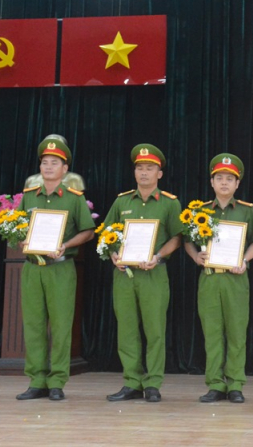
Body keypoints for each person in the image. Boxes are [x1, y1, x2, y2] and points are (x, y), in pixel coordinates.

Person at [16, 137, 95, 401]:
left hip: (61, 268)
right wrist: (21, 239)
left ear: (65, 169)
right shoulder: (28, 198)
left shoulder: (74, 199)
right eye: (44, 162)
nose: (48, 167)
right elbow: (15, 229)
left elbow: (88, 231)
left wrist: (66, 244)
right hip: (32, 268)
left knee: (61, 326)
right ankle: (37, 379)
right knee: (34, 324)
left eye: (55, 163)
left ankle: (57, 381)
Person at [103, 144, 184, 403]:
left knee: (154, 330)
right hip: (124, 274)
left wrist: (159, 256)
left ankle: (152, 384)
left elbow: (177, 238)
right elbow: (106, 234)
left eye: (150, 168)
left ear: (159, 173)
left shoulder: (170, 203)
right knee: (127, 329)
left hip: (153, 274)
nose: (144, 173)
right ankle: (131, 382)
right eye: (140, 168)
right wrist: (113, 253)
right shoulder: (121, 201)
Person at [185, 154, 253, 404]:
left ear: (237, 184)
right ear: (212, 182)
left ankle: (235, 384)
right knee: (212, 333)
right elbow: (187, 240)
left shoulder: (246, 210)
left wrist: (245, 260)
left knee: (236, 332)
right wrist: (195, 256)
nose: (224, 183)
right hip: (210, 278)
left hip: (235, 279)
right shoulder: (199, 211)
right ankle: (215, 384)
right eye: (219, 178)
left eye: (229, 179)